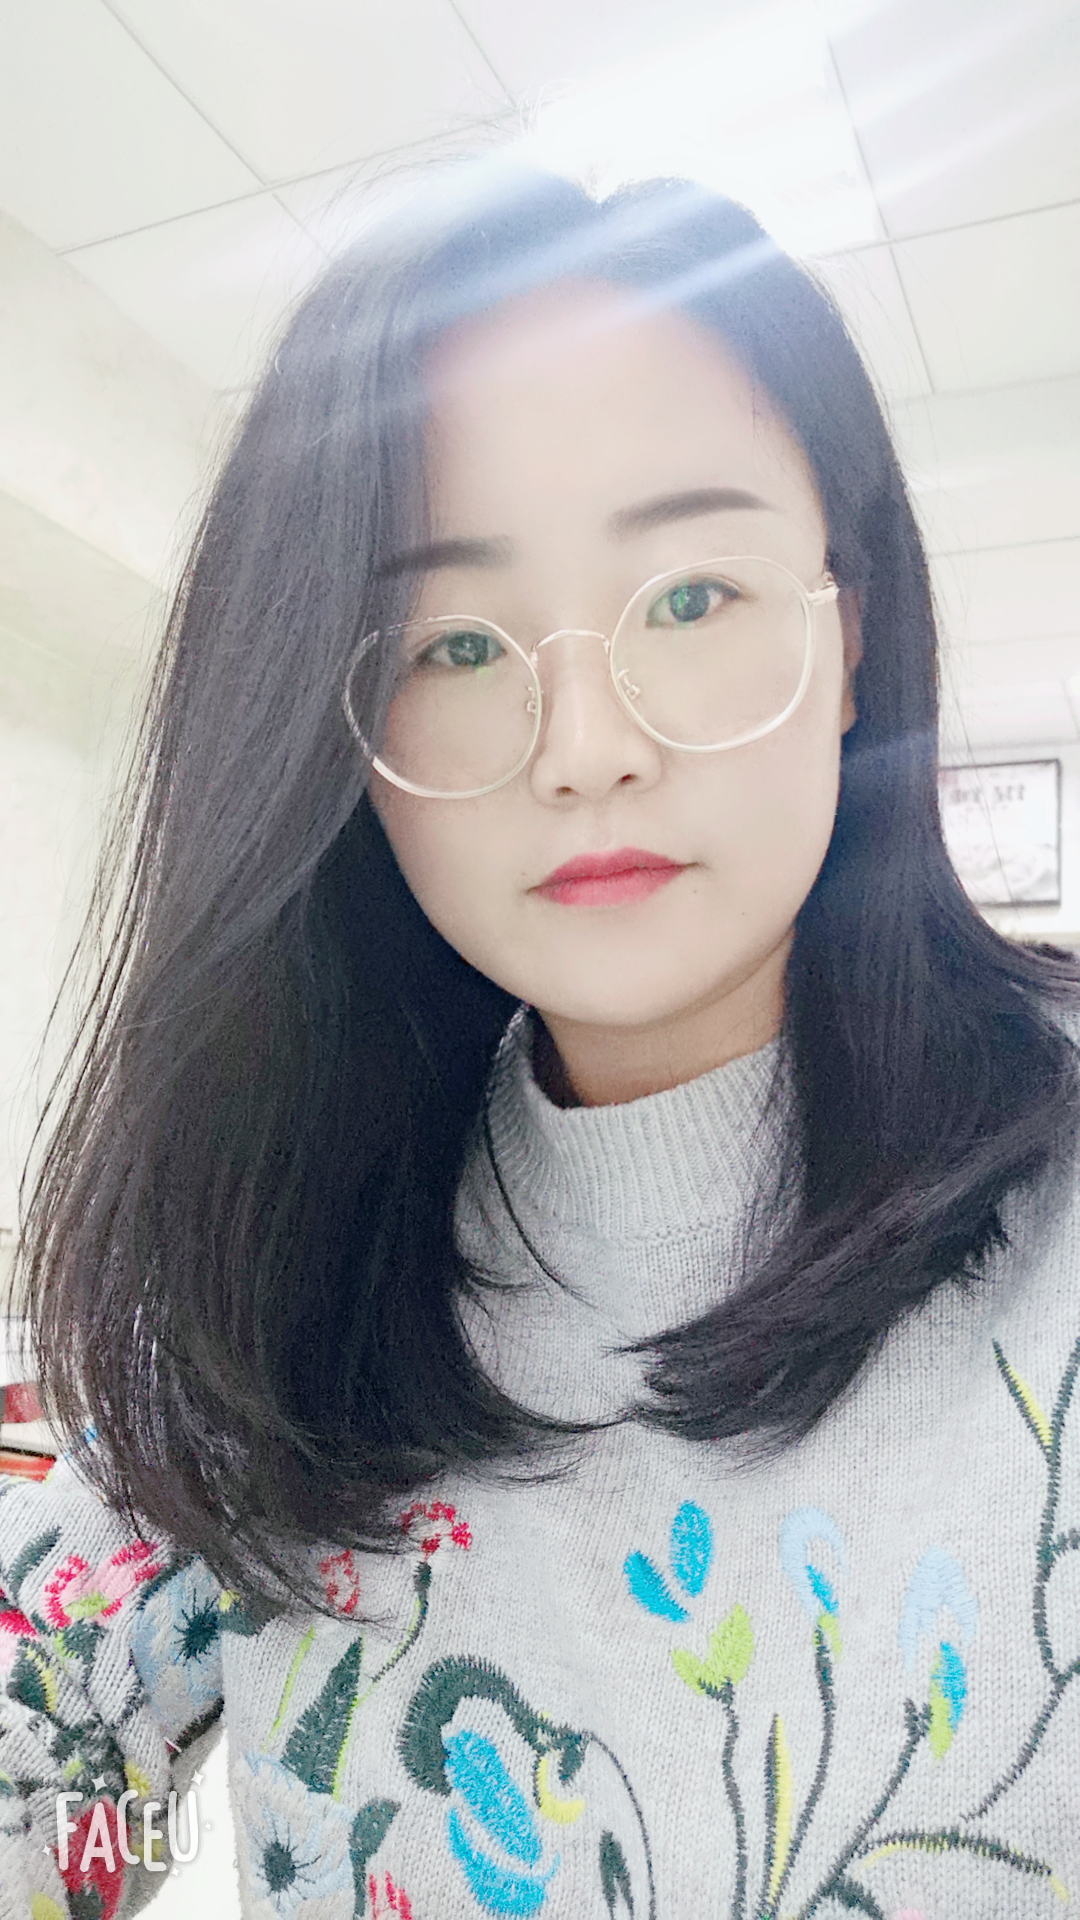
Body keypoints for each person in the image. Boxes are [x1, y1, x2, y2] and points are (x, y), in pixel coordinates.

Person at [1, 162, 1078, 1920]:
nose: (584, 747)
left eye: (691, 598)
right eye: (457, 642)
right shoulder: (278, 1274)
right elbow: (36, 1755)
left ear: (851, 628)